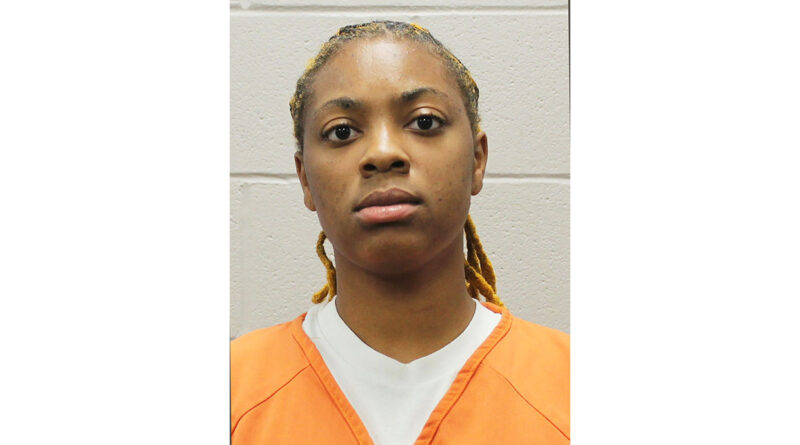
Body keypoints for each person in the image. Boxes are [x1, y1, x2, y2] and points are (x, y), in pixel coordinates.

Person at [230, 20, 569, 444]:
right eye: (342, 131)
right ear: (305, 179)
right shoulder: (233, 390)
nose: (383, 152)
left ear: (477, 161)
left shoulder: (570, 386)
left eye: (424, 122)